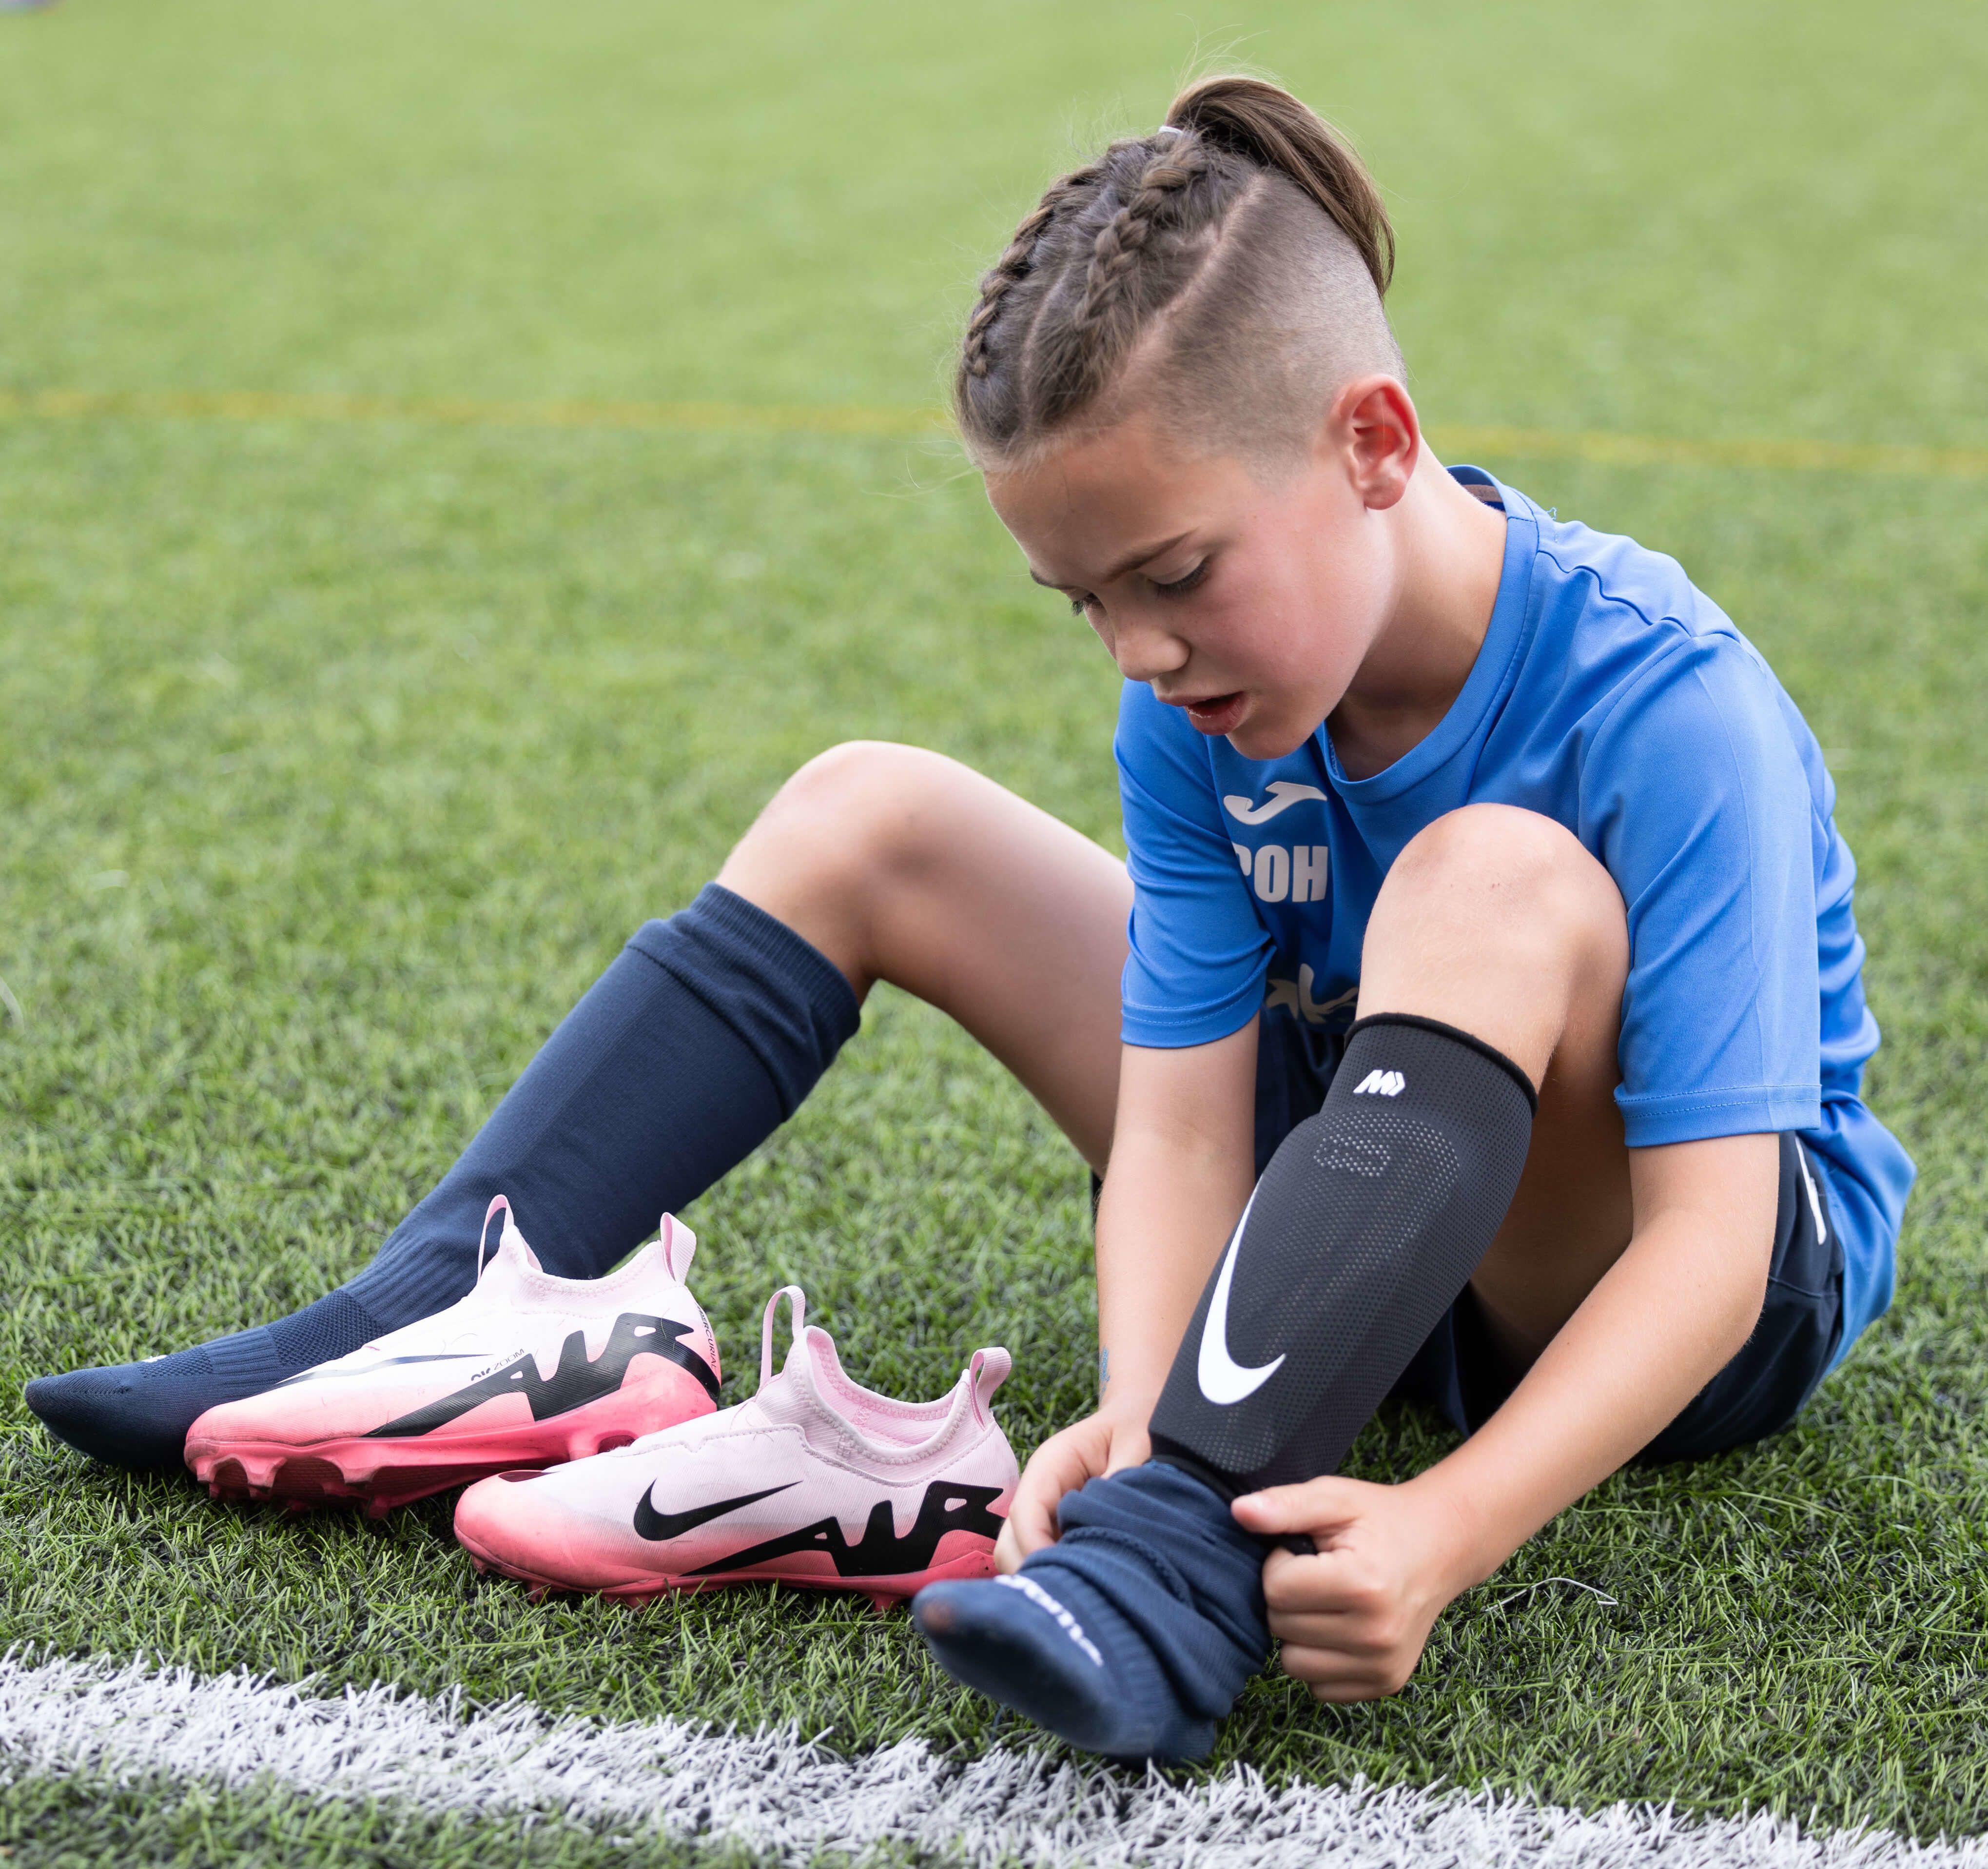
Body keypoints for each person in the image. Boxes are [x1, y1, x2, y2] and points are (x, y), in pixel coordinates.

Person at [28, 75, 1913, 1762]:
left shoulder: (1662, 696)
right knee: (876, 810)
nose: (1142, 653)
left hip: (1666, 1280)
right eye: (1081, 602)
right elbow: (1182, 1116)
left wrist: (1449, 1520)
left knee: (1486, 876)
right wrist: (1138, 1387)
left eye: (1173, 576)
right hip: (1358, 1165)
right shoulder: (1192, 702)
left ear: (1374, 440)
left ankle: (1171, 1560)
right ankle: (444, 1306)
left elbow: (1717, 1252)